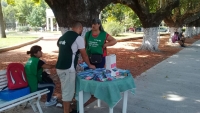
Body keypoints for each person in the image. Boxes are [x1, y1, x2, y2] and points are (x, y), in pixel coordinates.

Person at [56, 21, 96, 113]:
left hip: (60, 66)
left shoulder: (63, 36)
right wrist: (90, 65)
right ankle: (66, 111)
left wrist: (74, 58)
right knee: (68, 92)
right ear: (80, 28)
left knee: (65, 89)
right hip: (68, 69)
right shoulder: (78, 38)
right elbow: (84, 55)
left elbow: (64, 49)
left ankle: (69, 109)